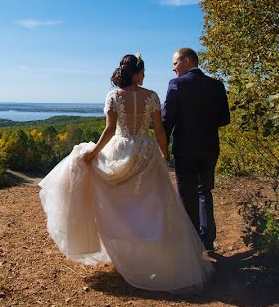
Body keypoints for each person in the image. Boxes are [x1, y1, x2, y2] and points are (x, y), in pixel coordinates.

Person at [38, 54, 214, 293]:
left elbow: (110, 130)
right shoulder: (151, 96)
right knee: (149, 205)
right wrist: (164, 154)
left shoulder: (113, 96)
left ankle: (126, 257)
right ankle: (148, 256)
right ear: (136, 72)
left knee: (119, 205)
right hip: (146, 151)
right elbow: (160, 130)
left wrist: (93, 154)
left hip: (120, 149)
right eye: (143, 72)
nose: (144, 76)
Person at [162, 48, 230, 252]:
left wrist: (161, 144)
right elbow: (225, 119)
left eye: (175, 63)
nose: (173, 68)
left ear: (187, 60)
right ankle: (207, 241)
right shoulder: (216, 85)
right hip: (210, 148)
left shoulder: (177, 84)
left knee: (186, 195)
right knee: (204, 192)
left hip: (185, 148)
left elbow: (167, 119)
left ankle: (190, 243)